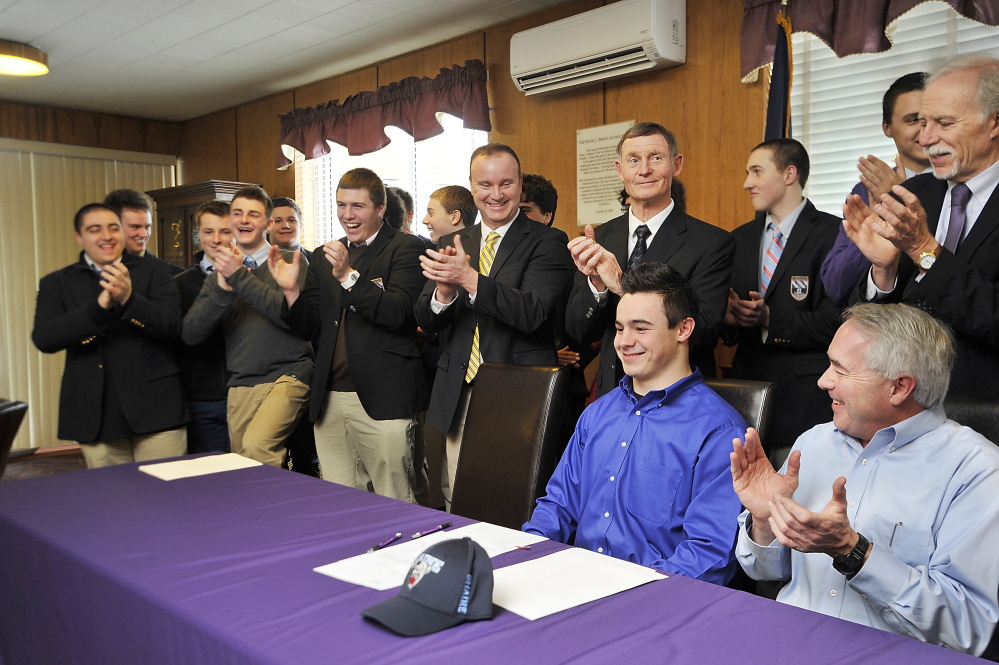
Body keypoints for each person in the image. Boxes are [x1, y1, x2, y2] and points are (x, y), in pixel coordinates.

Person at [732, 303, 999, 655]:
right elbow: (763, 571)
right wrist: (765, 520)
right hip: (787, 644)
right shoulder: (813, 442)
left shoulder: (977, 472)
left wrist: (854, 552)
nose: (823, 380)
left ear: (899, 388)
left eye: (840, 370)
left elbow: (967, 628)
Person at [524, 262, 745, 584]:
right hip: (574, 584)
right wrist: (526, 553)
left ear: (683, 329)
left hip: (657, 599)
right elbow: (558, 506)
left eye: (641, 329)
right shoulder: (598, 413)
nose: (624, 341)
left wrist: (634, 596)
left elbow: (710, 555)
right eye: (619, 328)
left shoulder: (719, 431)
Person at [415, 143, 574, 504]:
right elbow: (424, 318)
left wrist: (470, 280)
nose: (496, 194)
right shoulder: (453, 242)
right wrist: (443, 292)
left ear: (519, 185)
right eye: (485, 185)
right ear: (472, 188)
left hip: (519, 391)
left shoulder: (548, 240)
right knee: (459, 495)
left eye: (506, 184)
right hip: (458, 391)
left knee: (514, 500)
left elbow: (533, 311)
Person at [844, 54, 999, 399]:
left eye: (943, 123)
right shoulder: (915, 194)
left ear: (994, 123)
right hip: (906, 407)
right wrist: (883, 273)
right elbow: (875, 326)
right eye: (921, 122)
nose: (925, 139)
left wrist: (923, 251)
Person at [273, 168, 428, 502]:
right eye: (342, 205)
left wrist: (347, 276)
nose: (347, 214)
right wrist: (290, 293)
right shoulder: (324, 255)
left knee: (396, 499)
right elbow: (310, 327)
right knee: (342, 503)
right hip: (329, 398)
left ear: (380, 209)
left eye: (357, 206)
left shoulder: (407, 247)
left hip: (383, 397)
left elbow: (399, 313)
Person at [565, 122, 734, 396]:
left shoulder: (712, 242)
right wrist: (596, 285)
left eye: (656, 158)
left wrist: (620, 286)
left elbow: (702, 331)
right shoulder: (600, 237)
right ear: (620, 170)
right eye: (634, 160)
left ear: (676, 165)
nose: (644, 170)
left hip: (676, 395)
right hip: (612, 393)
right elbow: (578, 330)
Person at [32, 203, 188, 467]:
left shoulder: (155, 271)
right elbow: (45, 338)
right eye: (95, 229)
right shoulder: (56, 282)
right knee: (112, 501)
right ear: (79, 238)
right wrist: (97, 309)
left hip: (157, 406)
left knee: (167, 497)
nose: (106, 236)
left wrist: (129, 299)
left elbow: (173, 328)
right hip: (94, 411)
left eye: (113, 228)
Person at [725, 138, 841, 456]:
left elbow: (838, 321)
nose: (747, 183)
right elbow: (729, 325)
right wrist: (729, 319)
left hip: (804, 403)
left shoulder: (835, 235)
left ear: (789, 174)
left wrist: (770, 320)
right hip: (745, 399)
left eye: (757, 172)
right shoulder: (738, 239)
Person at [182, 186, 313, 467]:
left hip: (289, 375)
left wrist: (240, 277)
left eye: (253, 214)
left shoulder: (291, 262)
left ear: (267, 223)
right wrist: (223, 286)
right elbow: (191, 333)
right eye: (237, 213)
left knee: (258, 448)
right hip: (241, 382)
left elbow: (289, 317)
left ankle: (278, 513)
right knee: (244, 466)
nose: (243, 220)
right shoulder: (221, 271)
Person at [821, 73, 931, 303]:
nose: (926, 130)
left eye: (933, 119)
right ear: (887, 128)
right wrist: (876, 226)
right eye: (913, 120)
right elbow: (836, 285)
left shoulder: (962, 181)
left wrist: (901, 197)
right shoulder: (866, 189)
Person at [175, 200, 232, 454]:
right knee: (210, 479)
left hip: (248, 396)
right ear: (199, 235)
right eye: (209, 232)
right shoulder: (180, 284)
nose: (217, 239)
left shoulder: (252, 277)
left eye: (225, 231)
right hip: (201, 399)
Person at [104, 188, 183, 275]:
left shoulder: (174, 275)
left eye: (147, 227)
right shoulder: (91, 272)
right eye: (135, 227)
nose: (144, 234)